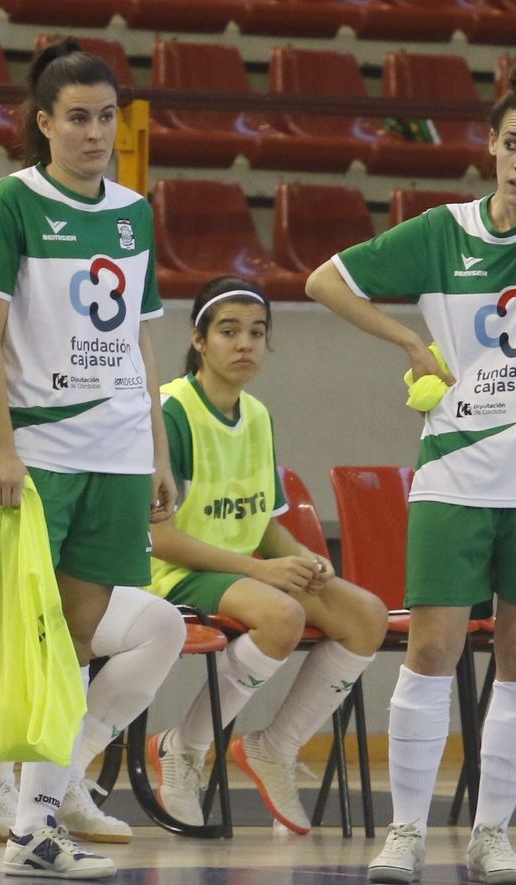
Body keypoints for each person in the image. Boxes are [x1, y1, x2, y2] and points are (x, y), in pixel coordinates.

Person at [305, 43, 516, 885]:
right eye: (512, 143)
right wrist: (409, 338)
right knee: (433, 645)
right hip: (456, 469)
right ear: (491, 143)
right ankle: (405, 830)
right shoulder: (442, 231)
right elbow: (322, 281)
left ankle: (491, 834)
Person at [0, 38, 177, 879]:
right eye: (78, 118)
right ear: (43, 122)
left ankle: (38, 821)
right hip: (41, 452)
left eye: (106, 118)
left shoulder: (135, 210)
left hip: (119, 452)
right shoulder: (9, 204)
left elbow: (138, 339)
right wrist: (2, 443)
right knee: (16, 636)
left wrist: (158, 448)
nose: (96, 133)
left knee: (79, 640)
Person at [144, 277, 389, 835]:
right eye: (229, 331)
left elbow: (266, 522)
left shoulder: (256, 413)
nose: (245, 344)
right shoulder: (171, 410)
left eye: (257, 332)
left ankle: (274, 748)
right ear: (199, 340)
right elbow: (157, 537)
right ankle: (183, 747)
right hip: (172, 571)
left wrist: (304, 559)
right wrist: (262, 570)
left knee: (365, 615)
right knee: (283, 615)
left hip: (237, 571)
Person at [0, 370, 183, 861]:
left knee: (155, 625)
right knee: (21, 624)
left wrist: (151, 462)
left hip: (36, 563)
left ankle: (60, 787)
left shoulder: (104, 398)